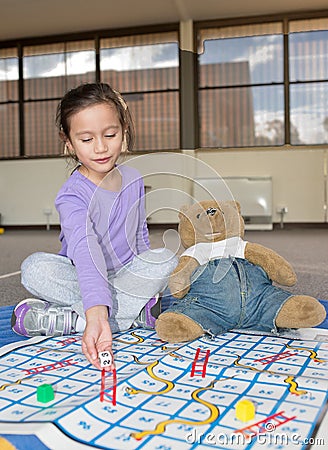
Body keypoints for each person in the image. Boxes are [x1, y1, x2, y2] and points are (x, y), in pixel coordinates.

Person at [12, 82, 178, 370]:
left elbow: (139, 236)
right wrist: (97, 309)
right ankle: (121, 314)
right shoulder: (72, 195)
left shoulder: (134, 179)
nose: (101, 148)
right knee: (34, 268)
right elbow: (85, 250)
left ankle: (75, 318)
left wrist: (143, 273)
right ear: (69, 142)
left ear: (123, 131)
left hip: (125, 275)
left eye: (110, 135)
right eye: (87, 140)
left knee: (166, 259)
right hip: (82, 276)